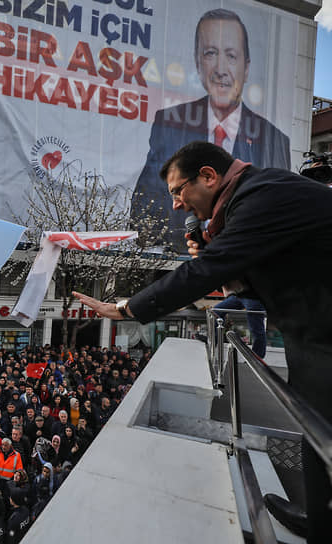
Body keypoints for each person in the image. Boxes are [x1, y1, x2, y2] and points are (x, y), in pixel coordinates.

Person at [74, 141, 332, 542]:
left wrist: (126, 308)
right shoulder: (245, 204)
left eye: (178, 191)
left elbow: (206, 273)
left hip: (326, 335)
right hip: (314, 332)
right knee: (315, 431)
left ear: (208, 177)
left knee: (324, 434)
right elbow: (265, 275)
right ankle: (319, 517)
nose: (176, 204)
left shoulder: (261, 196)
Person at [130, 8, 290, 247]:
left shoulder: (274, 139)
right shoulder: (168, 122)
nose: (221, 69)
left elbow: (278, 213)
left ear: (246, 67)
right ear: (197, 62)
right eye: (210, 53)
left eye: (231, 56)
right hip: (177, 259)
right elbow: (146, 202)